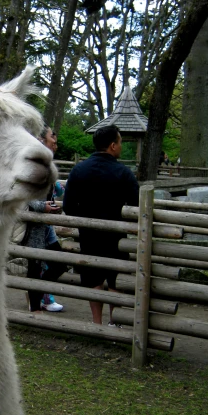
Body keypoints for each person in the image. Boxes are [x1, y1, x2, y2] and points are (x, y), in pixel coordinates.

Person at [63, 124, 139, 325]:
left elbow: (68, 206)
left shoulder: (79, 170)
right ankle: (115, 322)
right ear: (113, 146)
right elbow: (137, 204)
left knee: (92, 277)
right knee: (115, 277)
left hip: (88, 234)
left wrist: (84, 219)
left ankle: (97, 323)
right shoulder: (123, 172)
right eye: (120, 142)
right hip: (116, 235)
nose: (121, 146)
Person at [23, 126, 68, 313]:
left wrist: (51, 205)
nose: (55, 144)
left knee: (59, 264)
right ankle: (35, 309)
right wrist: (44, 207)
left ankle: (39, 295)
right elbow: (26, 192)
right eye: (52, 139)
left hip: (45, 225)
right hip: (34, 224)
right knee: (35, 266)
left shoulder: (46, 164)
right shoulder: (32, 163)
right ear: (42, 140)